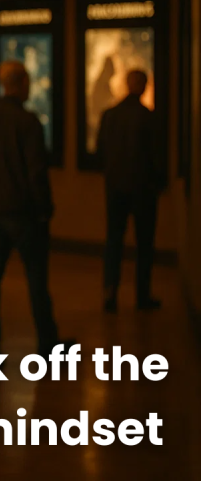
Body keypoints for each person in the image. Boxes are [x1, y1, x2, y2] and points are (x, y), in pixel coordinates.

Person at [0, 61, 74, 358]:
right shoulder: (28, 122)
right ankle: (48, 344)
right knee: (37, 282)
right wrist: (44, 210)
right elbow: (36, 173)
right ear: (21, 83)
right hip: (25, 216)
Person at [98, 69, 164, 312]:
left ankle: (110, 294)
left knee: (113, 240)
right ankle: (142, 295)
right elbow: (156, 157)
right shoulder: (148, 117)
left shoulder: (110, 115)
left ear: (127, 85)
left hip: (115, 188)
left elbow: (100, 152)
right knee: (144, 244)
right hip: (143, 191)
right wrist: (158, 183)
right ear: (144, 86)